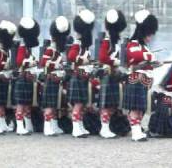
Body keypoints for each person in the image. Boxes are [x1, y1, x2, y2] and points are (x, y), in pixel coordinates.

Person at [123, 9, 158, 141]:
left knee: (140, 108)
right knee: (135, 108)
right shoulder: (134, 44)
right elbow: (134, 55)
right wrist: (150, 56)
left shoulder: (144, 46)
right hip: (136, 79)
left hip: (143, 80)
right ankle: (136, 133)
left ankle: (137, 130)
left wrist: (154, 63)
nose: (151, 37)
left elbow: (145, 62)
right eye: (149, 34)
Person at [39, 16, 70, 136]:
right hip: (51, 79)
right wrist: (56, 64)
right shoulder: (50, 50)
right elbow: (43, 63)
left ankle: (54, 124)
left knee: (55, 105)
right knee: (50, 105)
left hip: (57, 80)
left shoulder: (57, 51)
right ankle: (47, 127)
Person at [98, 9, 127, 138]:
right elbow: (102, 57)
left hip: (113, 75)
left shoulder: (114, 41)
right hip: (107, 74)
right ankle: (104, 128)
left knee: (112, 104)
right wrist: (114, 61)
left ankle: (107, 127)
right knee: (106, 104)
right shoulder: (107, 40)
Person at [67, 9, 95, 138]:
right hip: (77, 76)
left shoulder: (84, 46)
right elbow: (71, 56)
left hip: (83, 76)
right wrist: (82, 60)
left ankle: (80, 126)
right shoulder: (77, 43)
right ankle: (75, 128)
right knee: (78, 104)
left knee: (82, 104)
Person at [14, 17, 40, 135]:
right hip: (22, 78)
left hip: (27, 78)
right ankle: (19, 127)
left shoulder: (27, 49)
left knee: (26, 104)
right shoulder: (22, 47)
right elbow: (20, 62)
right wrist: (32, 63)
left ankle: (28, 125)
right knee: (21, 104)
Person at [0, 20, 17, 135]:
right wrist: (6, 65)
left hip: (3, 78)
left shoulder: (4, 51)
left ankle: (2, 123)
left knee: (1, 104)